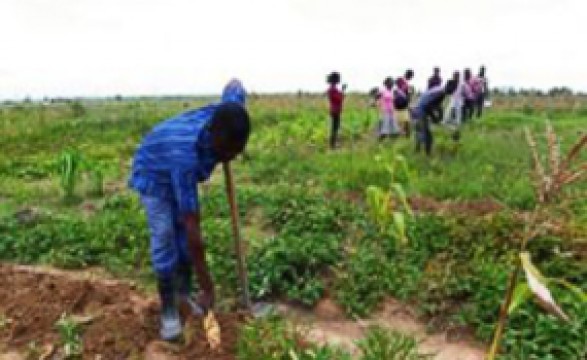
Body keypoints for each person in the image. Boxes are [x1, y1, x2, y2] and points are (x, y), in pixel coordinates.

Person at [128, 79, 250, 341]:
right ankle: (169, 309)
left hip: (173, 161)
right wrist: (208, 286)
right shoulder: (186, 157)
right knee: (165, 236)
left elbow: (233, 88)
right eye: (228, 152)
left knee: (182, 236)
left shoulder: (229, 112)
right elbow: (194, 232)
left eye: (237, 153)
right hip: (154, 170)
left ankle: (184, 295)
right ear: (215, 138)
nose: (230, 158)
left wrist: (235, 86)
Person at [411, 79, 458, 156]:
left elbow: (436, 105)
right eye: (453, 89)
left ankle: (417, 150)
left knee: (420, 131)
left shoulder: (440, 90)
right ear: (448, 85)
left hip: (419, 109)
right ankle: (427, 155)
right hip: (421, 111)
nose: (453, 91)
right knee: (428, 135)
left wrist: (439, 116)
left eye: (455, 89)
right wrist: (434, 118)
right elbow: (428, 106)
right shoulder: (440, 93)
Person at [326, 72, 346, 149]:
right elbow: (339, 99)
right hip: (335, 111)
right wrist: (343, 91)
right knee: (335, 128)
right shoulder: (332, 89)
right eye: (338, 78)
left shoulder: (332, 89)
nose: (339, 80)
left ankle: (333, 144)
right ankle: (332, 145)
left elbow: (339, 98)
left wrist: (341, 92)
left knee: (335, 128)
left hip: (335, 110)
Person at [395, 69, 414, 137]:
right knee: (403, 120)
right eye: (411, 76)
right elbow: (403, 92)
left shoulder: (405, 82)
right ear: (408, 75)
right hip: (400, 103)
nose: (411, 78)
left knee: (406, 120)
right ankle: (405, 134)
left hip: (402, 103)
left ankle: (406, 134)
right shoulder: (401, 80)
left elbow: (407, 94)